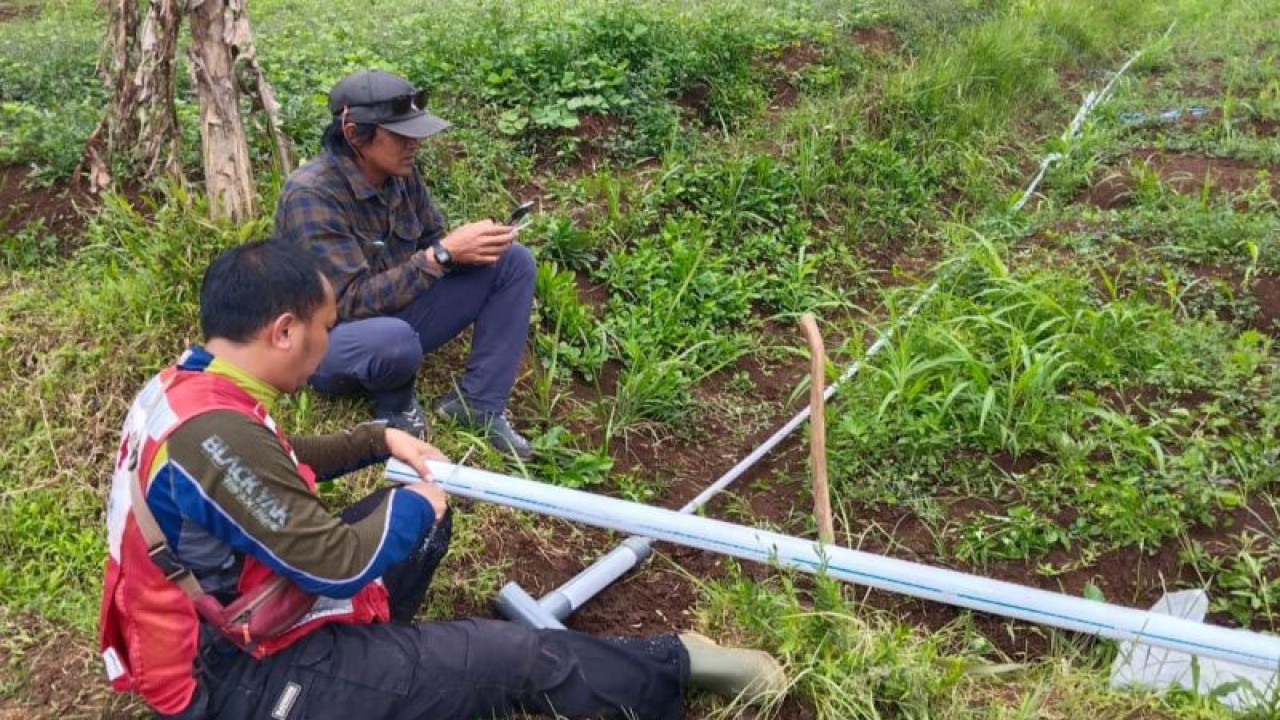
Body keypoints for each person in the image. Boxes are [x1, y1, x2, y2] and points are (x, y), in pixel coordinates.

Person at [99, 240, 784, 719]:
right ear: (283, 330)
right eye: (325, 331)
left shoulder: (188, 389)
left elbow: (271, 457)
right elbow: (333, 564)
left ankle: (383, 667)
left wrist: (376, 438)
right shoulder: (215, 437)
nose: (327, 348)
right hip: (242, 681)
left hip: (240, 624)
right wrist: (416, 504)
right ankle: (675, 667)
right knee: (512, 656)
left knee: (424, 527)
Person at [273, 68, 535, 459]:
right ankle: (394, 409)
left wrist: (471, 246)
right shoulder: (311, 194)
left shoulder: (399, 173)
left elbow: (431, 243)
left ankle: (477, 406)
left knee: (512, 261)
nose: (415, 144)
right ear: (354, 134)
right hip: (328, 344)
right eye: (401, 135)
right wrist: (442, 255)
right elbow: (345, 305)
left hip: (397, 318)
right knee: (392, 338)